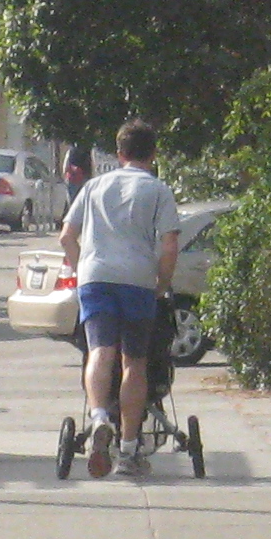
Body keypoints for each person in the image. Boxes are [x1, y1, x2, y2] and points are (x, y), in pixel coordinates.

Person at [60, 117, 180, 476]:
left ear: (119, 152)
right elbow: (169, 245)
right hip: (137, 281)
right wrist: (161, 283)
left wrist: (82, 269)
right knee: (134, 362)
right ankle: (128, 450)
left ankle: (99, 417)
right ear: (153, 154)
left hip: (96, 277)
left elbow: (66, 236)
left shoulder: (94, 187)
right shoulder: (158, 190)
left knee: (99, 351)